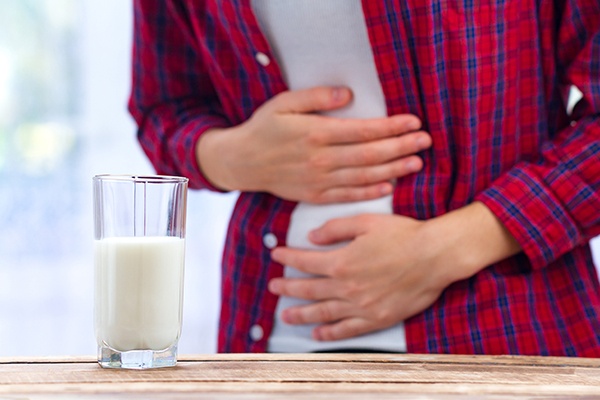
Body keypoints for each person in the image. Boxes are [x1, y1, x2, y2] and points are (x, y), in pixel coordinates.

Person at [128, 0, 600, 356]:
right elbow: (163, 107)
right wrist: (233, 156)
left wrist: (447, 248)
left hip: (501, 334)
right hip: (270, 334)